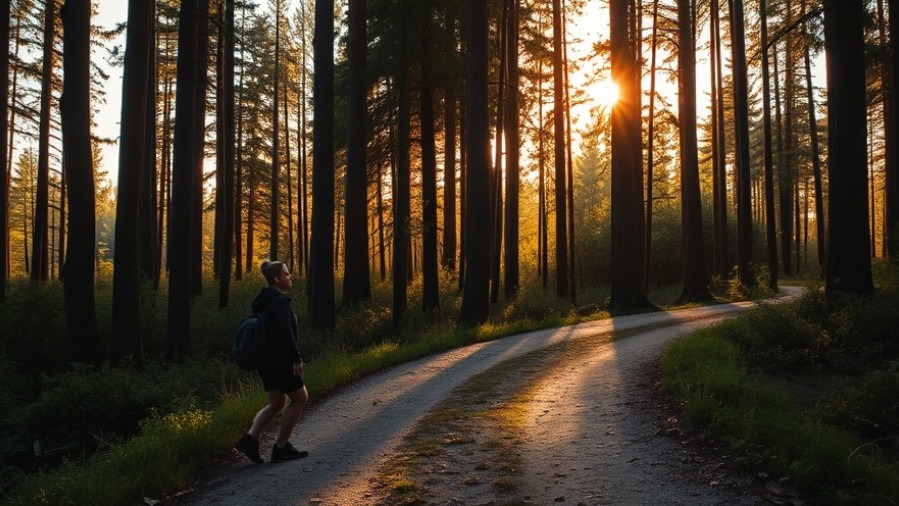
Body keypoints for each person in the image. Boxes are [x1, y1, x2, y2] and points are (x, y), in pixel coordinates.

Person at [234, 260, 309, 463]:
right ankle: (281, 447)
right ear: (276, 279)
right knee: (300, 398)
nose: (289, 276)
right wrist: (296, 358)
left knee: (276, 402)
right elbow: (286, 335)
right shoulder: (280, 303)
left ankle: (250, 439)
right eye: (286, 274)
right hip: (280, 361)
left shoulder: (262, 301)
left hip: (265, 362)